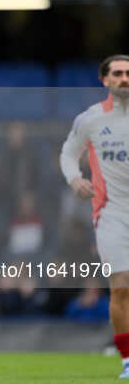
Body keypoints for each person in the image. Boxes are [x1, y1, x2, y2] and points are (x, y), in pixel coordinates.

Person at [60, 54, 129, 379]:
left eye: (128, 73)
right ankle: (128, 359)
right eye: (117, 73)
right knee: (121, 287)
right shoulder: (90, 119)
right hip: (111, 211)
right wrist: (75, 179)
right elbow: (68, 153)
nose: (124, 78)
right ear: (106, 80)